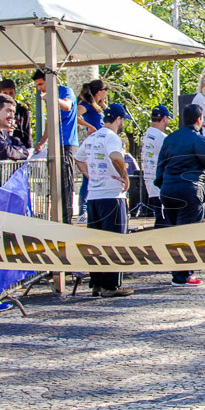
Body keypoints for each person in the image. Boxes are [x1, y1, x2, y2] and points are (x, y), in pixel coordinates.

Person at [154, 104, 205, 287]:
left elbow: (160, 165)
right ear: (199, 119)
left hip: (168, 190)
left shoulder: (169, 138)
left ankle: (176, 271)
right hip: (190, 189)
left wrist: (162, 185)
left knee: (174, 232)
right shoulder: (198, 139)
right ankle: (183, 275)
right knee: (188, 233)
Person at [74, 104, 134, 298]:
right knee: (115, 241)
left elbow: (78, 157)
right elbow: (115, 155)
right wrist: (124, 175)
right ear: (118, 119)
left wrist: (89, 174)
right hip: (111, 196)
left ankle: (97, 282)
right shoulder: (112, 137)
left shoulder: (93, 136)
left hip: (93, 197)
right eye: (122, 120)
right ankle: (111, 285)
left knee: (96, 242)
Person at [33, 70, 79, 224]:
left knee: (66, 182)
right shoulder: (48, 98)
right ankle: (56, 218)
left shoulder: (65, 91)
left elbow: (67, 106)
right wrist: (41, 142)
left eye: (41, 84)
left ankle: (66, 220)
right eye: (37, 85)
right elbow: (50, 122)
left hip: (66, 143)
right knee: (55, 183)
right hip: (53, 144)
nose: (40, 88)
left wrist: (52, 98)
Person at [76, 79, 110, 224]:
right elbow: (76, 116)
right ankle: (82, 211)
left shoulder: (97, 105)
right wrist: (89, 126)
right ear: (99, 92)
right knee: (88, 177)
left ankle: (93, 209)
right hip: (94, 142)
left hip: (103, 141)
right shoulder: (85, 105)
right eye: (105, 90)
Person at [141, 105, 172, 229]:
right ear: (164, 118)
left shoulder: (147, 134)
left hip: (150, 179)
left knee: (159, 214)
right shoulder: (162, 137)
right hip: (161, 182)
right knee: (164, 219)